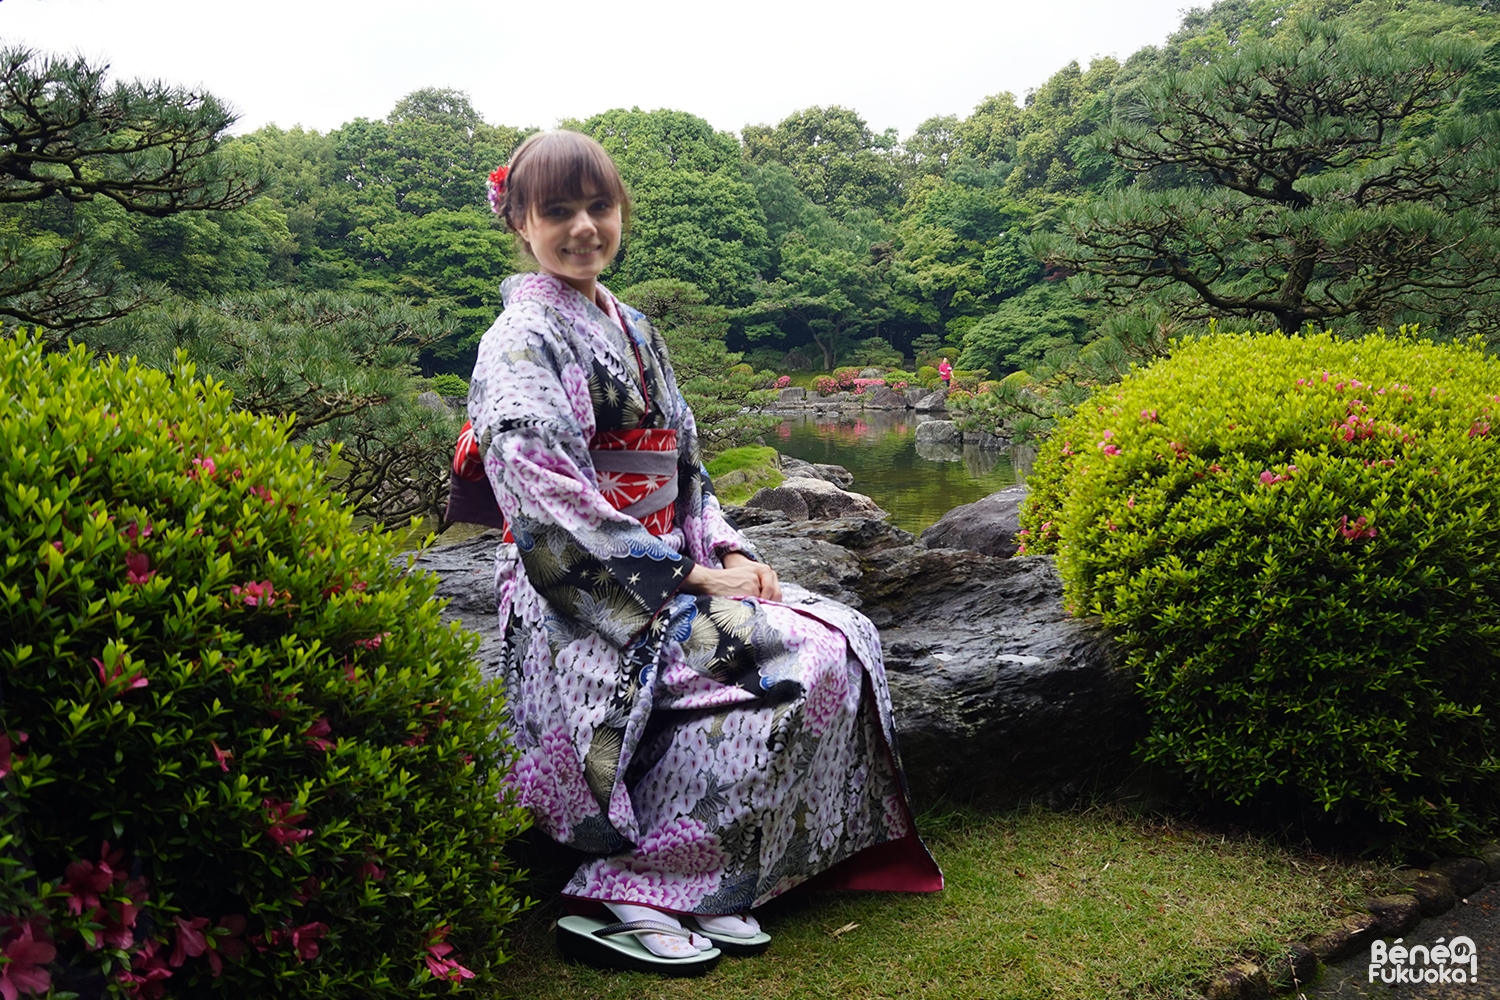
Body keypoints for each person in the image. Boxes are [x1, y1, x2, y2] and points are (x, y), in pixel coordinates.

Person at [449, 130, 942, 976]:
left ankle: (706, 874)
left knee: (842, 635)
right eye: (557, 211)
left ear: (620, 213)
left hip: (667, 570)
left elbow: (687, 468)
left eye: (598, 207)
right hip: (583, 597)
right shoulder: (519, 339)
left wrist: (727, 549)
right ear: (520, 225)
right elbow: (546, 497)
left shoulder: (634, 325)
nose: (583, 228)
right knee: (789, 658)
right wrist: (685, 575)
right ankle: (634, 884)